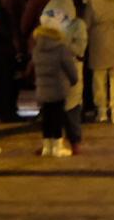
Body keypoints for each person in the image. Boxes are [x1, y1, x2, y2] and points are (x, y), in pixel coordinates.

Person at [32, 13, 81, 158]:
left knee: (47, 117)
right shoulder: (61, 48)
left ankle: (47, 146)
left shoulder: (37, 49)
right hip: (58, 88)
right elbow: (70, 69)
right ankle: (57, 147)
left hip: (42, 88)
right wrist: (73, 80)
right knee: (57, 117)